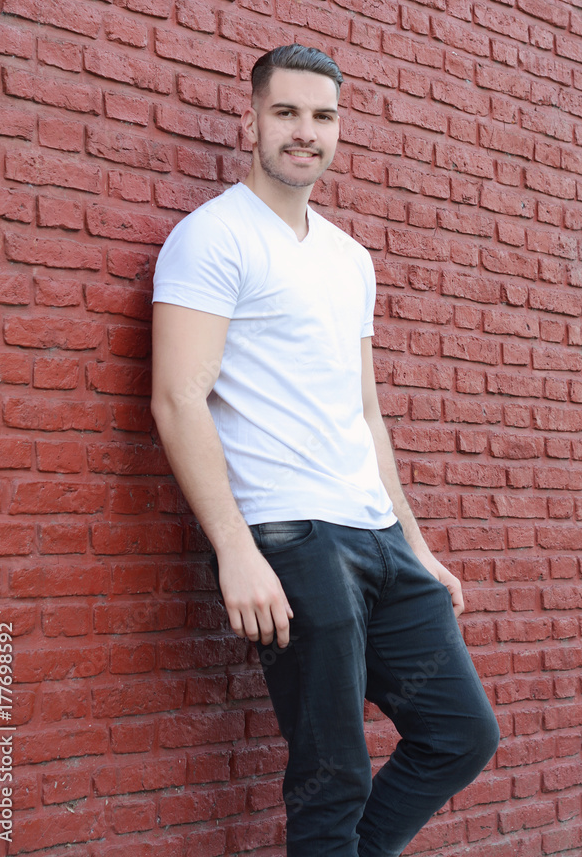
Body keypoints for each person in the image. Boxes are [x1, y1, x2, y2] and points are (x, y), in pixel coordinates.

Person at [151, 44, 500, 857]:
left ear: (338, 129)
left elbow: (364, 413)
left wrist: (416, 543)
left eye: (321, 116)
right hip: (292, 537)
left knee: (459, 734)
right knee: (332, 775)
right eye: (285, 112)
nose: (304, 131)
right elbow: (177, 399)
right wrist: (235, 551)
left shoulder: (349, 258)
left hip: (377, 536)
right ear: (251, 122)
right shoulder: (213, 238)